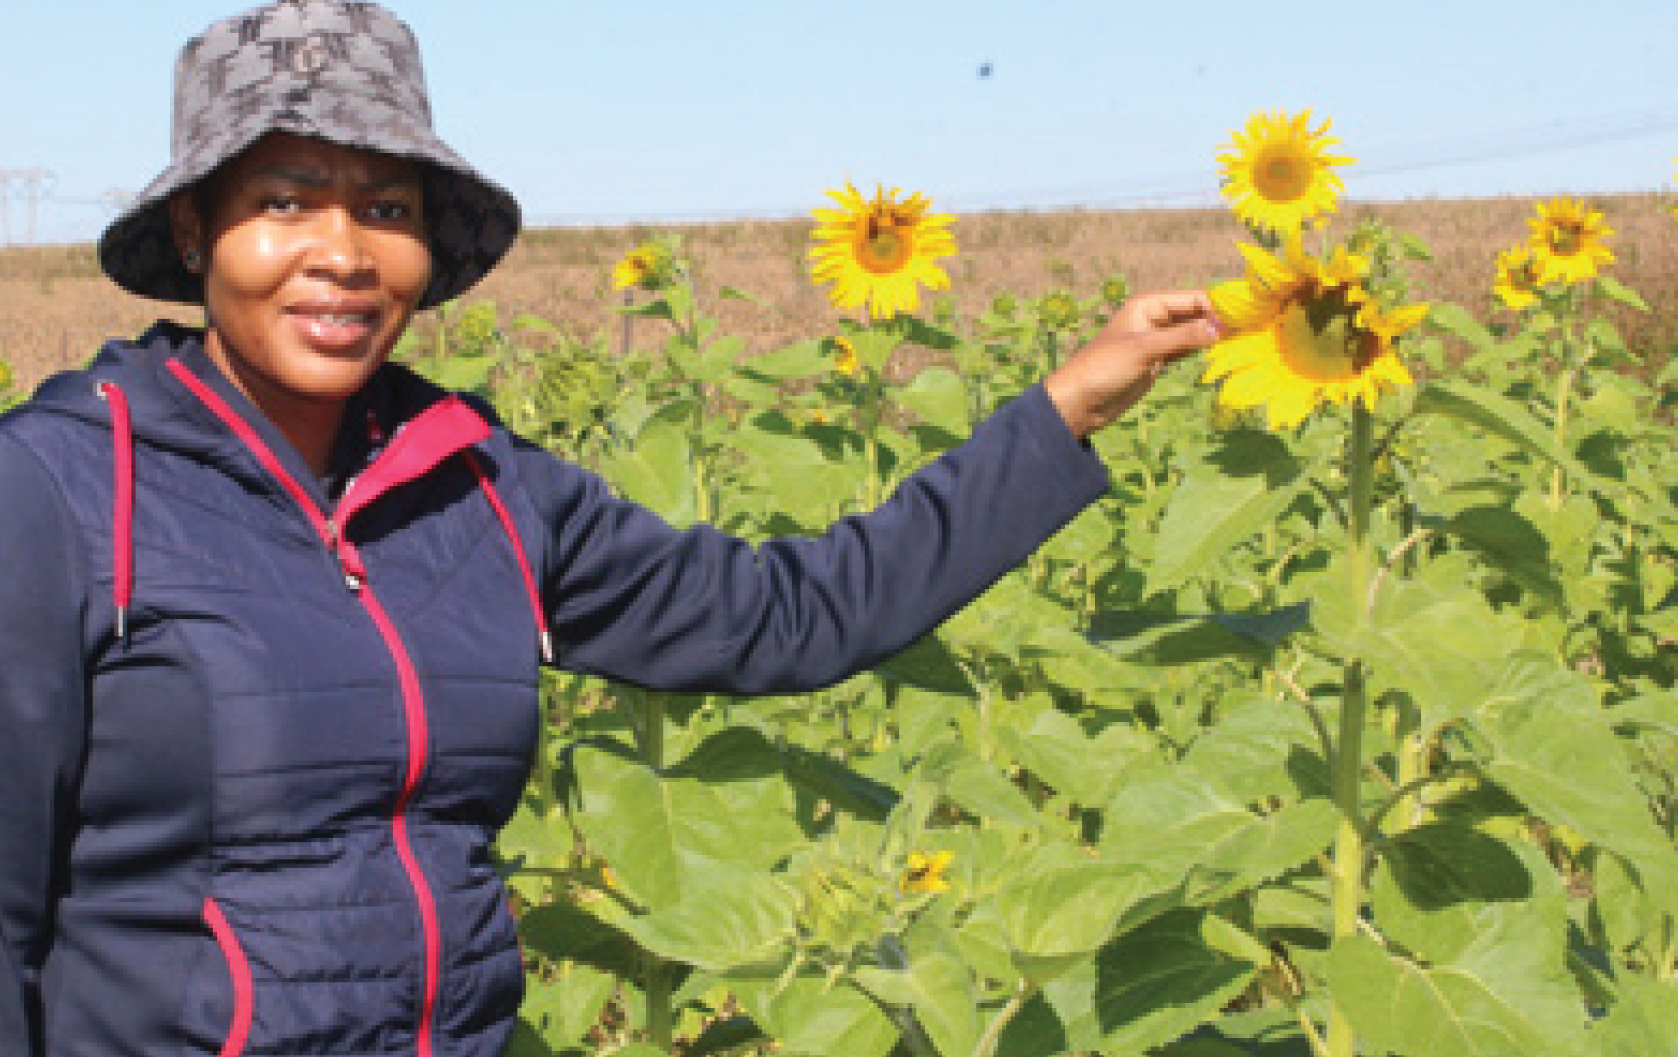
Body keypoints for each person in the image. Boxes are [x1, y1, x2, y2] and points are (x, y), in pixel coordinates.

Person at [0, 2, 1219, 1055]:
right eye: (282, 200)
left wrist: (1063, 411)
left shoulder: (475, 485)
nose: (342, 253)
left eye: (385, 205)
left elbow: (788, 618)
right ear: (195, 234)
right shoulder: (61, 490)